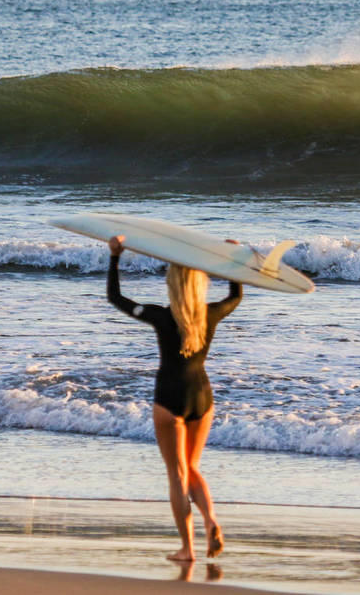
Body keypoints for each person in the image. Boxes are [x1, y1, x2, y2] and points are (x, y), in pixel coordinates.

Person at [106, 234, 242, 562]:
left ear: (172, 284)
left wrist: (115, 256)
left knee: (177, 474)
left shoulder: (159, 316)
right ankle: (210, 520)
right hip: (202, 397)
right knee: (193, 467)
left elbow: (115, 298)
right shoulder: (211, 314)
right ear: (199, 284)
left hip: (168, 398)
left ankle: (188, 549)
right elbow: (235, 296)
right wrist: (233, 259)